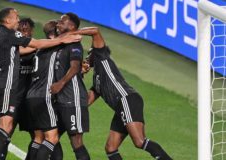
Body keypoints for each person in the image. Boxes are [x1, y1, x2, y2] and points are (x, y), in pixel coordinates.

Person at [0, 8, 81, 160]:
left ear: (32, 30)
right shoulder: (18, 41)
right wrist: (62, 39)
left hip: (22, 97)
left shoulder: (0, 34)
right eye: (17, 19)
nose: (22, 31)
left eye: (26, 30)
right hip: (11, 92)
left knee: (35, 135)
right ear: (8, 21)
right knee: (5, 128)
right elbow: (34, 44)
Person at [71, 27, 172, 160]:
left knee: (139, 141)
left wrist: (72, 33)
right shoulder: (97, 81)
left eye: (89, 55)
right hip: (121, 107)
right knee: (110, 148)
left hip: (127, 100)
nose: (87, 58)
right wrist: (79, 76)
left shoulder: (103, 59)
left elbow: (95, 31)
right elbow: (86, 102)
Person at [50, 13, 90, 160]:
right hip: (60, 99)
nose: (58, 25)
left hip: (73, 99)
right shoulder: (62, 44)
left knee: (76, 142)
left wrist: (60, 84)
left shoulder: (74, 44)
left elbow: (75, 67)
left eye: (62, 22)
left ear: (72, 26)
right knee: (51, 137)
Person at [25, 20, 63, 160]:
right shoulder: (56, 48)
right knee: (52, 138)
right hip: (44, 96)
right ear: (57, 32)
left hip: (31, 96)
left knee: (38, 138)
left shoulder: (39, 49)